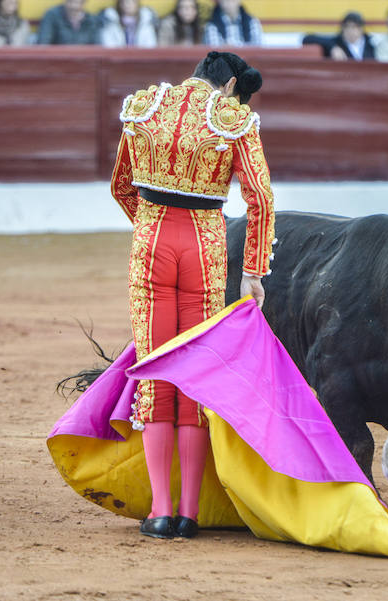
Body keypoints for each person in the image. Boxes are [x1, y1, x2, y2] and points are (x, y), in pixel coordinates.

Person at [110, 51, 274, 539]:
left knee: (157, 370)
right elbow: (260, 199)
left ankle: (160, 511)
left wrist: (149, 227)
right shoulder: (232, 118)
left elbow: (121, 186)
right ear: (230, 87)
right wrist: (252, 272)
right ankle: (189, 513)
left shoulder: (144, 106)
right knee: (194, 375)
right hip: (204, 246)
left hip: (153, 243)